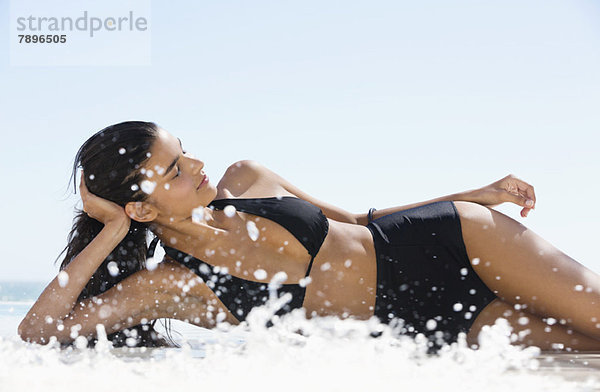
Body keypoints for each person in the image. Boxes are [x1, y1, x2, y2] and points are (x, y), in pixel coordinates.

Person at [18, 121, 600, 353]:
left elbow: (356, 218)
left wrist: (475, 194)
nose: (195, 163)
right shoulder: (176, 285)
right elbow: (38, 331)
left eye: (183, 148)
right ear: (142, 209)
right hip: (431, 320)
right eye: (174, 170)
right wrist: (111, 228)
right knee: (589, 354)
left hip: (456, 240)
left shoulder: (245, 179)